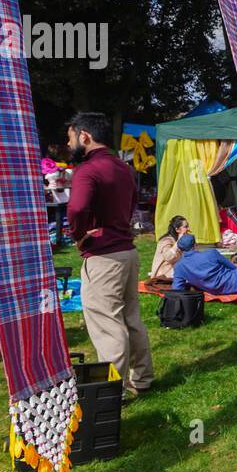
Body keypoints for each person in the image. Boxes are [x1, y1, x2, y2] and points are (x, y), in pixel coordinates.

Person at [66, 112, 155, 400]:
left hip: (104, 256)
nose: (68, 145)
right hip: (127, 251)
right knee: (131, 319)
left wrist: (78, 234)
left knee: (108, 325)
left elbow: (77, 208)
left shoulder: (87, 170)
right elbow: (130, 205)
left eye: (70, 138)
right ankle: (142, 379)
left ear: (84, 136)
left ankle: (109, 395)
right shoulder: (123, 168)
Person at [171, 234, 237, 295]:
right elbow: (233, 267)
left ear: (180, 250)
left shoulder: (178, 267)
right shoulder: (211, 253)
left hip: (231, 290)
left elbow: (177, 289)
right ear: (195, 245)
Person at [150, 215, 189, 282]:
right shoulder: (166, 241)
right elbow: (168, 257)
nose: (188, 229)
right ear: (177, 229)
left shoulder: (183, 239)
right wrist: (178, 242)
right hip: (163, 274)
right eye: (185, 227)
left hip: (175, 270)